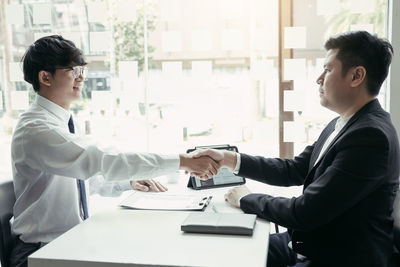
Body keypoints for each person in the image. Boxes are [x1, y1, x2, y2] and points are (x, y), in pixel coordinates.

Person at [9, 35, 219, 267]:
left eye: (81, 70)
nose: (81, 78)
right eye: (72, 70)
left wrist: (128, 183)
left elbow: (83, 178)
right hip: (40, 255)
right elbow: (101, 160)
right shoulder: (36, 129)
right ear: (45, 77)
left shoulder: (63, 122)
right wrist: (183, 161)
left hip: (68, 244)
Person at [194, 31, 399, 267]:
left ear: (356, 75)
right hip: (307, 243)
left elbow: (305, 212)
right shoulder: (345, 122)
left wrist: (247, 199)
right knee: (226, 253)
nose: (319, 78)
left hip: (337, 257)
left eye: (328, 69)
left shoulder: (370, 137)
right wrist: (231, 160)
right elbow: (294, 169)